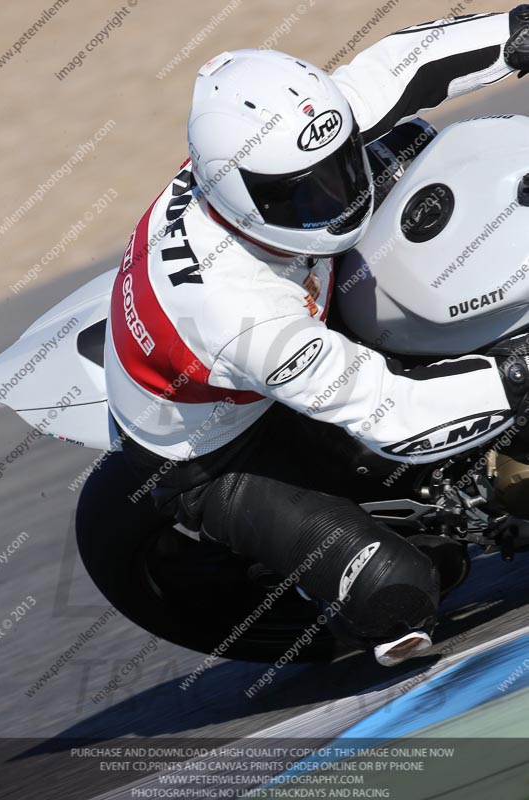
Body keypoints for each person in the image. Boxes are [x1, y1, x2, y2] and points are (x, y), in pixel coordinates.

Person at [104, 8, 529, 666]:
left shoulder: (283, 148)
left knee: (410, 147)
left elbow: (406, 64)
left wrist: (516, 29)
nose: (338, 199)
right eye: (307, 197)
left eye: (340, 170)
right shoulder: (234, 309)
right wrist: (515, 373)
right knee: (401, 593)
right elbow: (393, 411)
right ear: (244, 198)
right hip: (218, 449)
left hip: (301, 298)